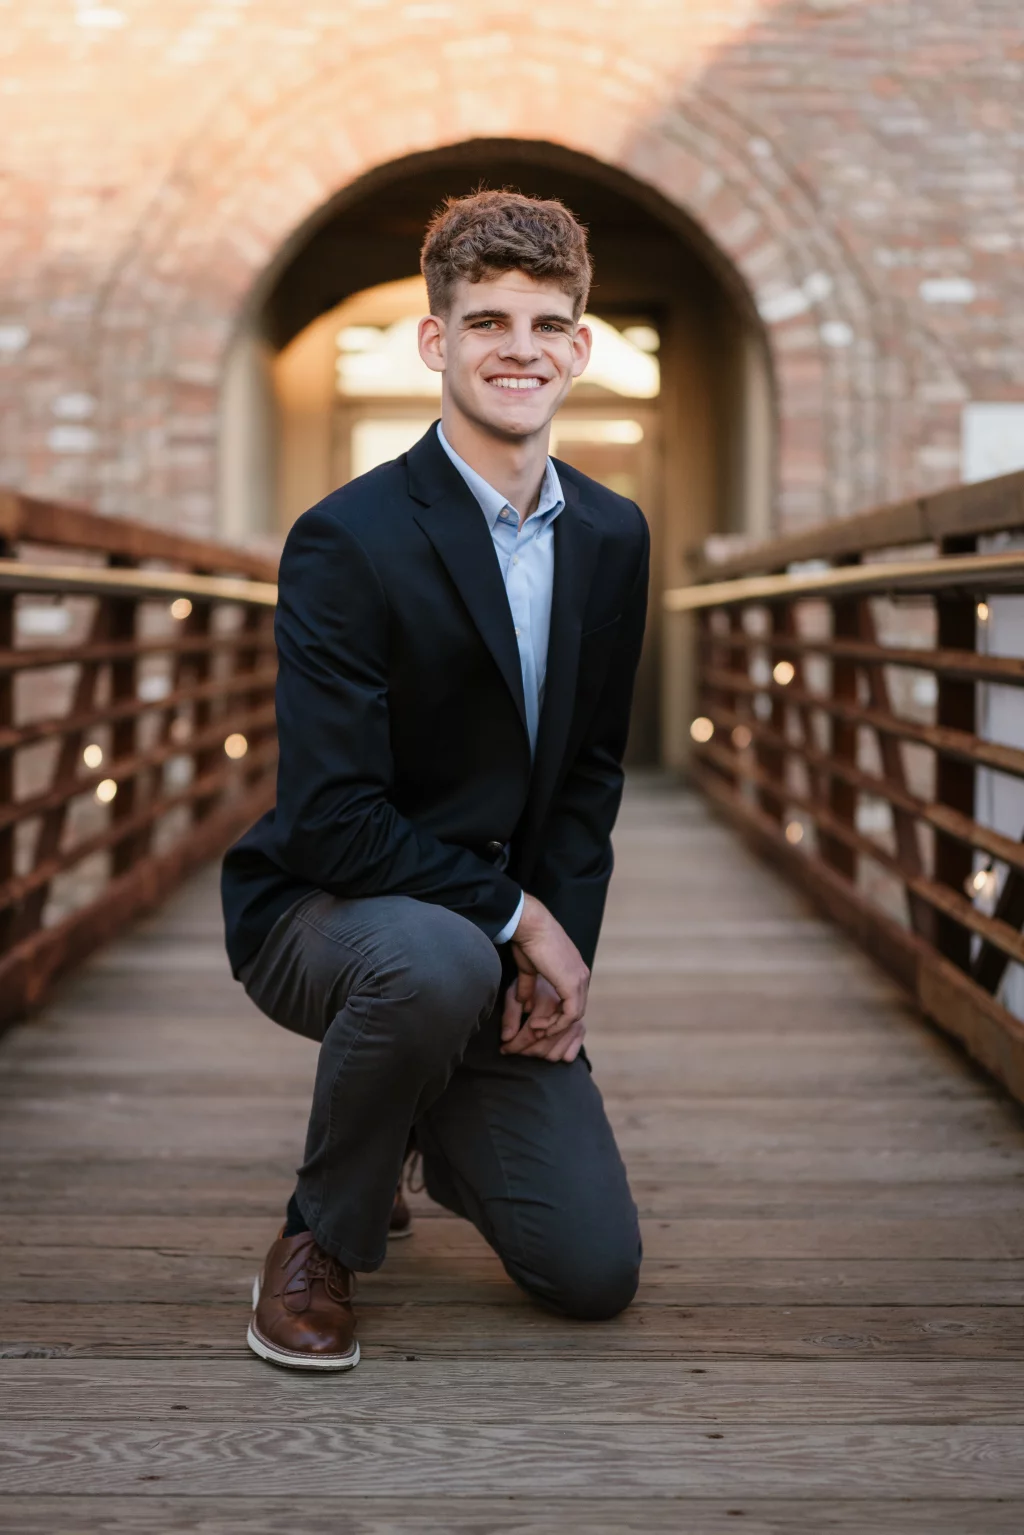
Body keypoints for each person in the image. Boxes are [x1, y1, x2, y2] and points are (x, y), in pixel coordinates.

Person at [221, 189, 650, 1370]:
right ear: (436, 342)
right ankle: (320, 1234)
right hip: (325, 911)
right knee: (434, 955)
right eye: (487, 321)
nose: (520, 349)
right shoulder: (347, 538)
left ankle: (411, 1110)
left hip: (478, 945)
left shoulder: (612, 535)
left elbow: (587, 775)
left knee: (592, 1271)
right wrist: (519, 920)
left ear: (579, 345)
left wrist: (562, 964)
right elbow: (332, 815)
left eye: (546, 323)